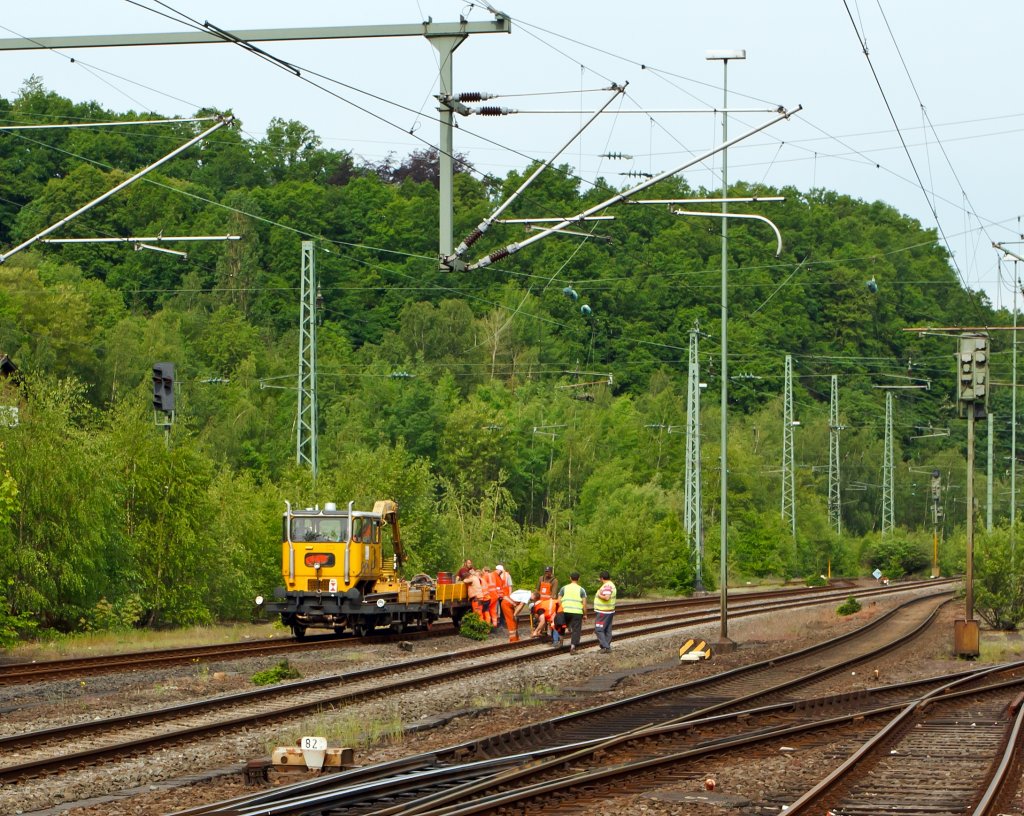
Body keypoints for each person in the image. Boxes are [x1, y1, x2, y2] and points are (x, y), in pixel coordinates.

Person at [558, 571, 587, 654]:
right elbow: (584, 604)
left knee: (562, 626)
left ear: (570, 578)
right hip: (577, 612)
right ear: (579, 579)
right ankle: (573, 648)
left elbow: (559, 600)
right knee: (576, 630)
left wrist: (562, 608)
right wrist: (584, 614)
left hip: (565, 610)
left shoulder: (564, 588)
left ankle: (561, 642)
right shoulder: (581, 589)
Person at [593, 570, 617, 653]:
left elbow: (607, 597)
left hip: (603, 611)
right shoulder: (612, 585)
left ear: (602, 578)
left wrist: (599, 595)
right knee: (607, 629)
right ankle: (606, 646)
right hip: (609, 611)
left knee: (599, 629)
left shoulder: (607, 586)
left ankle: (606, 647)